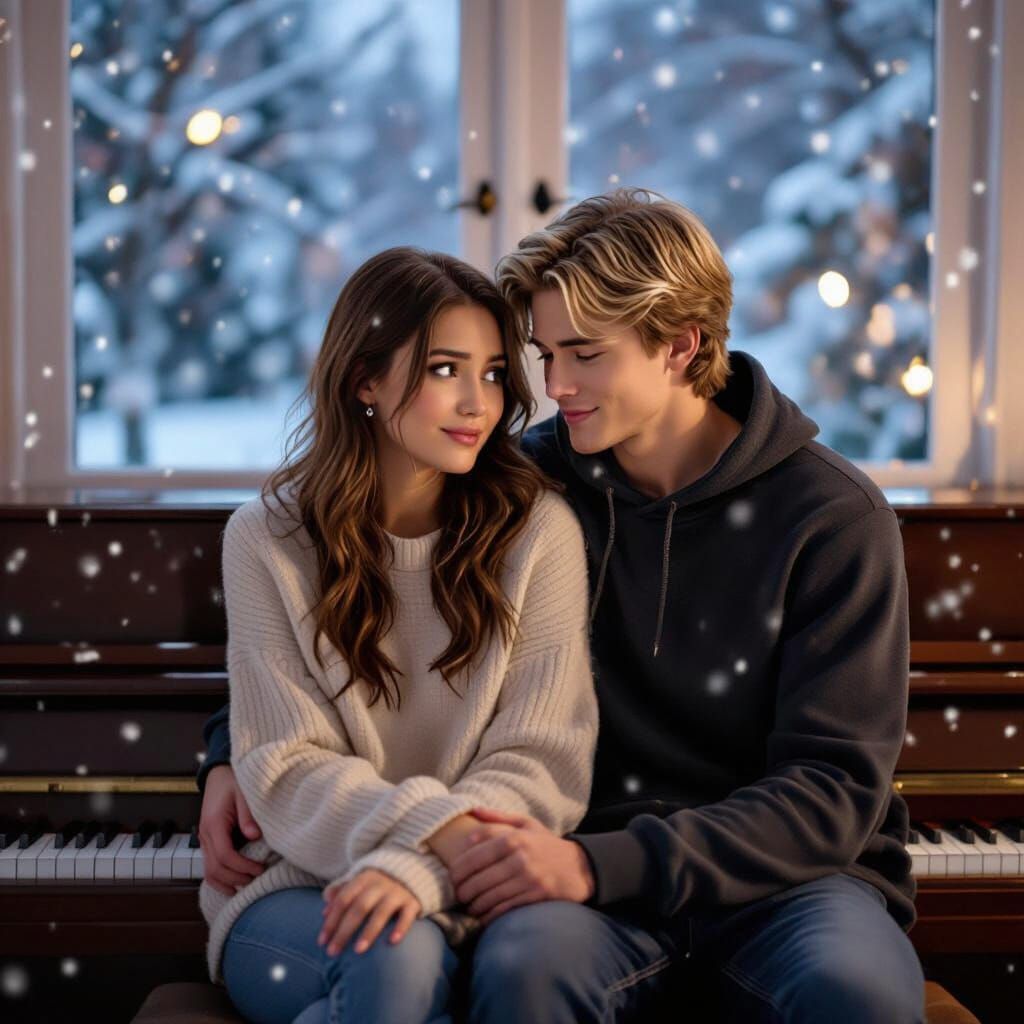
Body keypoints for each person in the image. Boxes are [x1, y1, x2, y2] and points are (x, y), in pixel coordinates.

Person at [199, 189, 926, 1023]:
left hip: (784, 882)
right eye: (543, 356)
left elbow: (831, 786)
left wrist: (601, 865)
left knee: (858, 997)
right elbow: (341, 591)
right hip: (572, 874)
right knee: (523, 980)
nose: (553, 387)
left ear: (681, 347)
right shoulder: (524, 487)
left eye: (583, 354)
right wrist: (227, 750)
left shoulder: (832, 517)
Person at [196, 245, 599, 1024]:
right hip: (297, 891)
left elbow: (542, 759)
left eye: (491, 373)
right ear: (365, 381)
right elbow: (286, 769)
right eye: (446, 369)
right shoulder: (265, 541)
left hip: (481, 887)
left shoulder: (538, 531)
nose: (479, 403)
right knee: (395, 955)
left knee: (404, 962)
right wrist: (439, 835)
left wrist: (419, 870)